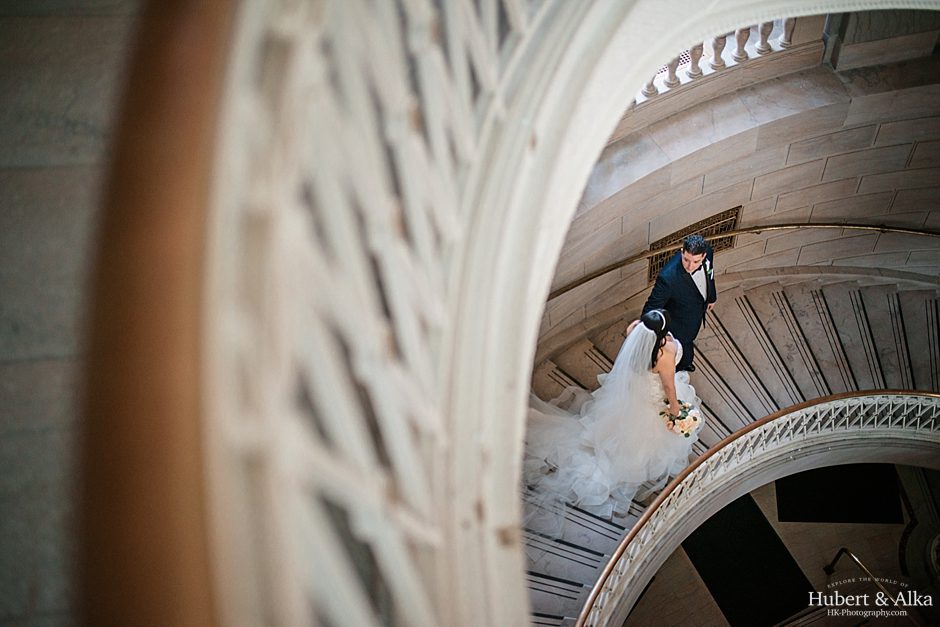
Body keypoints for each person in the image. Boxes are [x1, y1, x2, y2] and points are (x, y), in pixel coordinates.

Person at [523, 309, 703, 521]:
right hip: (654, 399)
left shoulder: (634, 329)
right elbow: (668, 386)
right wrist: (674, 407)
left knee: (621, 429)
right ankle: (628, 468)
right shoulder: (667, 353)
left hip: (637, 390)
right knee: (644, 443)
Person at [642, 234, 717, 372]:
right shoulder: (668, 278)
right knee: (681, 354)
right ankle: (680, 367)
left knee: (688, 348)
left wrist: (711, 297)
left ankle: (686, 363)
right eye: (686, 259)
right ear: (682, 251)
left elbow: (710, 276)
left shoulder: (709, 253)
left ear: (704, 255)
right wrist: (662, 334)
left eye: (695, 262)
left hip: (694, 318)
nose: (690, 266)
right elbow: (650, 309)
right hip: (678, 326)